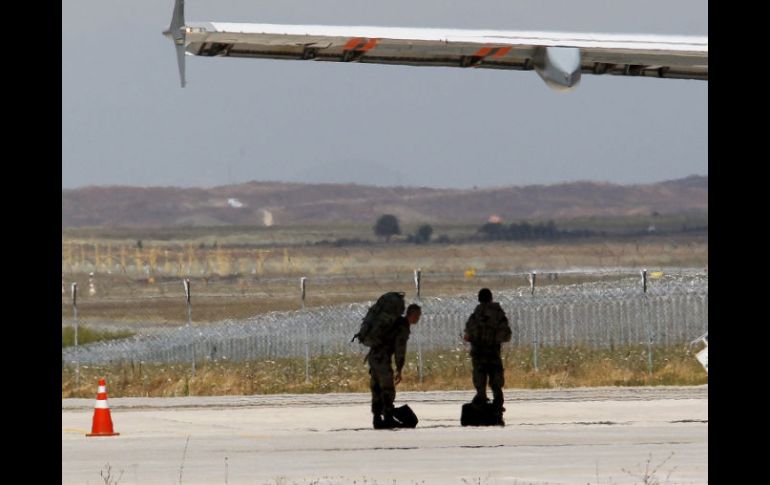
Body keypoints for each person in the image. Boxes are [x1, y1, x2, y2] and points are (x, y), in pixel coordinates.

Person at [368, 303, 422, 429]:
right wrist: (399, 369)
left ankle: (377, 419)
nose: (418, 318)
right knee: (387, 389)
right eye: (418, 315)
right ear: (413, 314)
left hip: (373, 356)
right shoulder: (402, 326)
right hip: (382, 358)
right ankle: (387, 418)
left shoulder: (394, 323)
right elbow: (399, 350)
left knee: (376, 388)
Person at [463, 288, 512, 413]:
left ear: (479, 299)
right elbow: (506, 334)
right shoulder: (498, 313)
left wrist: (477, 338)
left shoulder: (476, 315)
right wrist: (494, 339)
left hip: (479, 353)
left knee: (480, 380)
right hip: (493, 352)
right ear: (491, 298)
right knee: (496, 381)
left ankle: (481, 402)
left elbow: (468, 335)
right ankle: (497, 404)